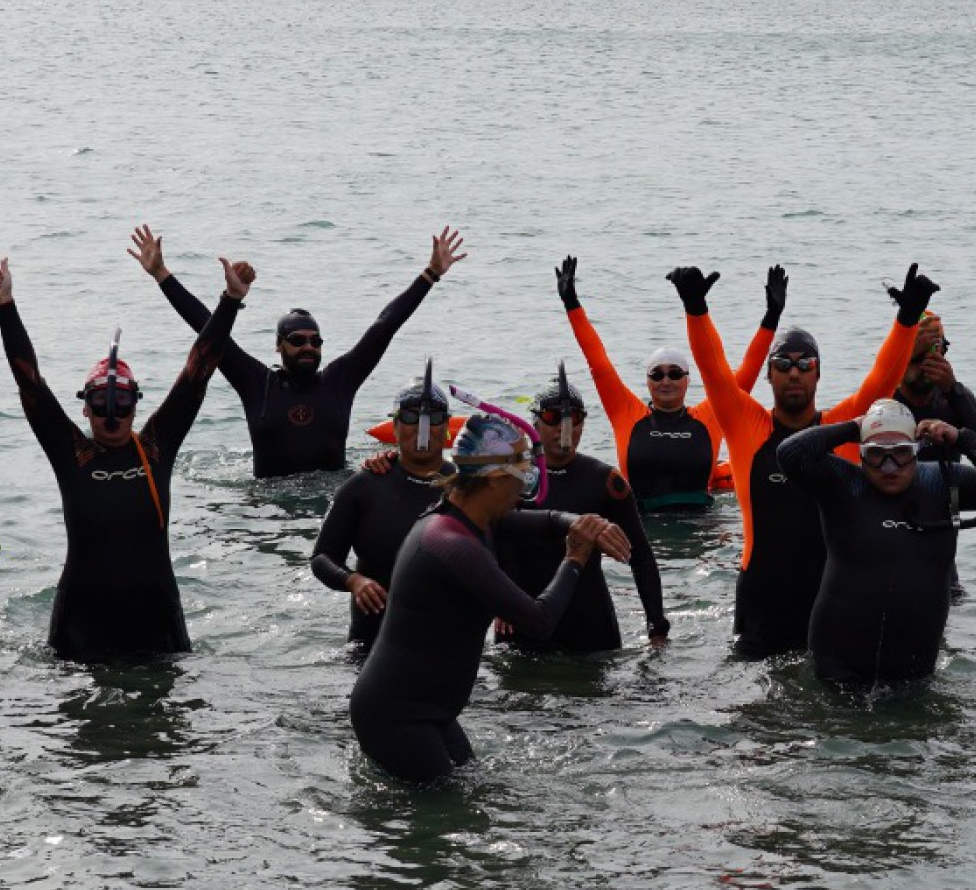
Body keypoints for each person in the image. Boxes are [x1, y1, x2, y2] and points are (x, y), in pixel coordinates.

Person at [0, 254, 249, 661]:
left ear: (136, 406)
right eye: (101, 402)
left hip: (156, 623)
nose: (112, 414)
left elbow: (199, 369)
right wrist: (5, 305)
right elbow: (29, 382)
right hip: (81, 625)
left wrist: (231, 299)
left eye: (122, 401)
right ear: (85, 409)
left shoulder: (156, 448)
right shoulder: (73, 454)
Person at [347, 411, 630, 781]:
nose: (525, 492)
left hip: (429, 710)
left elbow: (547, 521)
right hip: (398, 717)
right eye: (524, 478)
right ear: (496, 480)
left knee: (476, 796)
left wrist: (580, 523)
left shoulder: (466, 519)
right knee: (447, 819)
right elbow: (538, 620)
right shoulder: (452, 545)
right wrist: (575, 558)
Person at [673, 261, 933, 657]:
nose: (794, 373)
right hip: (760, 605)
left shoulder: (844, 428)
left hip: (830, 604)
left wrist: (907, 318)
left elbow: (882, 380)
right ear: (768, 376)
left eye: (804, 364)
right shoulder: (747, 426)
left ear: (817, 374)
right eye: (783, 365)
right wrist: (696, 309)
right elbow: (713, 371)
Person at [137, 222, 463, 477]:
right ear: (278, 347)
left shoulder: (339, 381)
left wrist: (430, 274)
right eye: (297, 340)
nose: (308, 346)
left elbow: (384, 326)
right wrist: (163, 276)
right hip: (266, 509)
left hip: (330, 500)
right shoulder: (256, 383)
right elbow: (206, 330)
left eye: (315, 341)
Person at [777, 398, 976, 691]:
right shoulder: (844, 484)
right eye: (876, 454)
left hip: (914, 671)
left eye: (901, 452)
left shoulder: (942, 483)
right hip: (837, 664)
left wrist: (963, 440)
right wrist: (853, 427)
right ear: (860, 455)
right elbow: (790, 453)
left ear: (916, 451)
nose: (889, 466)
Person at [557, 255, 782, 512]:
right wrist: (571, 303)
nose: (666, 381)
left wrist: (772, 316)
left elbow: (748, 371)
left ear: (687, 380)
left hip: (702, 531)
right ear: (648, 381)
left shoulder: (710, 417)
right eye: (657, 374)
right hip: (644, 528)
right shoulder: (627, 414)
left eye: (675, 374)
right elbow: (598, 362)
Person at [496, 365, 670, 652]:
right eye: (553, 418)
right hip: (520, 618)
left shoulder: (605, 480)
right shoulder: (510, 478)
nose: (565, 428)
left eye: (574, 418)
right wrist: (502, 598)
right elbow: (492, 540)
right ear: (534, 423)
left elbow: (641, 556)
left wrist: (656, 626)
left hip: (589, 624)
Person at [311, 365, 455, 654]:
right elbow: (322, 558)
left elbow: (501, 556)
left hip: (444, 646)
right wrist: (354, 581)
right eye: (411, 418)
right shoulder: (365, 486)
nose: (422, 427)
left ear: (448, 427)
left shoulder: (464, 489)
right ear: (396, 426)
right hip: (372, 644)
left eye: (433, 418)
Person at [891, 312, 976, 463]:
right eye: (917, 359)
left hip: (945, 484)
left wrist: (953, 390)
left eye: (932, 359)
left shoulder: (955, 398)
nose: (924, 368)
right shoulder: (883, 400)